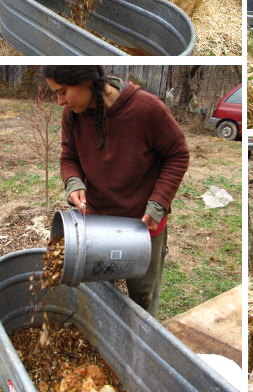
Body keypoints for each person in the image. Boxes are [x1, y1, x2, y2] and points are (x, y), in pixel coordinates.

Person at [42, 66, 190, 318]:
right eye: (56, 94)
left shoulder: (147, 109)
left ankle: (143, 346)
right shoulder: (72, 114)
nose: (59, 102)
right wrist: (74, 181)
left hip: (143, 222)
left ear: (87, 80)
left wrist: (158, 203)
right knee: (97, 291)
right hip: (97, 224)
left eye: (63, 91)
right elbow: (69, 156)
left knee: (142, 296)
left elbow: (178, 154)